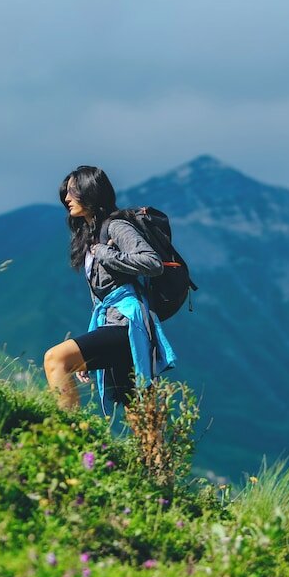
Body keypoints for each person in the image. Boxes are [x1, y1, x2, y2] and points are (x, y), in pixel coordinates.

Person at [43, 165, 175, 412]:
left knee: (56, 358)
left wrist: (106, 253)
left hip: (129, 325)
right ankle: (154, 452)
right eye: (65, 194)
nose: (66, 199)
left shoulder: (116, 226)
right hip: (111, 325)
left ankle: (67, 438)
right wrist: (91, 347)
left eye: (72, 192)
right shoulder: (90, 235)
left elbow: (153, 262)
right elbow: (102, 297)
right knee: (139, 415)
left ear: (90, 191)